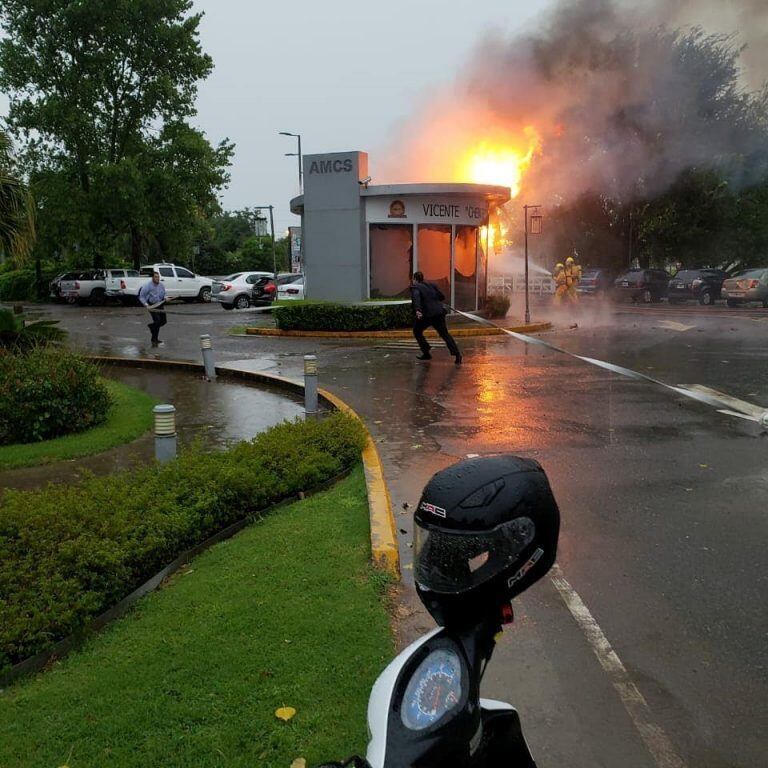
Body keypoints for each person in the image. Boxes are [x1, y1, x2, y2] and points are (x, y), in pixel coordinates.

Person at [410, 271, 462, 365]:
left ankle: (426, 351)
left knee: (417, 331)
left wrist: (418, 310)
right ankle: (457, 354)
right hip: (439, 313)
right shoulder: (431, 285)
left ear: (415, 279)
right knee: (445, 334)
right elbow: (441, 297)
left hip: (427, 315)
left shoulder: (415, 287)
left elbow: (416, 298)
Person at [139, 271, 168, 347]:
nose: (157, 278)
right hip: (152, 305)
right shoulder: (147, 286)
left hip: (160, 304)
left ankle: (152, 326)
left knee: (164, 321)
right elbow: (141, 296)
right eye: (156, 277)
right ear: (152, 278)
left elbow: (164, 294)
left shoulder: (161, 285)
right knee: (157, 321)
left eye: (158, 277)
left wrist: (165, 298)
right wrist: (146, 305)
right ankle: (154, 339)